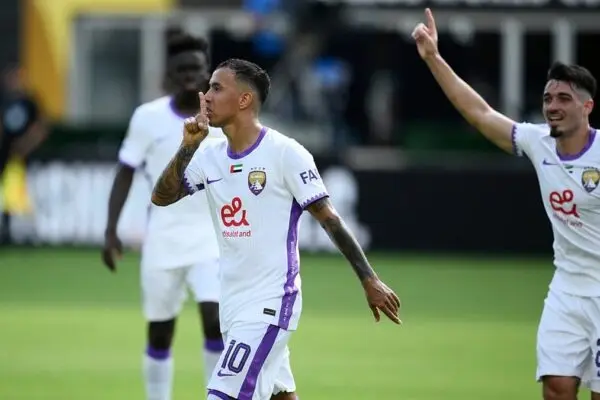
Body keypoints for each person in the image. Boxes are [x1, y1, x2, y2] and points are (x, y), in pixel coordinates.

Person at [150, 58, 401, 400]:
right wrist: (189, 145)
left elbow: (330, 219)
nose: (205, 96)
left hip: (270, 303)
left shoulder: (285, 153)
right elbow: (162, 197)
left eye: (216, 88)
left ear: (244, 100)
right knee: (280, 395)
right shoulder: (209, 156)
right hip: (233, 304)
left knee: (222, 395)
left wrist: (369, 279)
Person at [413, 8, 600, 400]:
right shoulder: (538, 141)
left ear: (587, 107)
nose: (552, 105)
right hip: (567, 286)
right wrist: (433, 58)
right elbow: (480, 113)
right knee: (556, 387)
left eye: (564, 98)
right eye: (548, 98)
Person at [101, 33, 224, 400]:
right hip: (163, 238)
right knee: (159, 332)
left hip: (212, 237)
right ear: (169, 74)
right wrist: (110, 230)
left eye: (195, 69)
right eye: (180, 69)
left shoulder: (224, 119)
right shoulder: (148, 118)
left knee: (216, 322)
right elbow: (125, 171)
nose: (188, 75)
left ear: (207, 74)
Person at [0, 64, 48, 244]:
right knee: (7, 194)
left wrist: (26, 145)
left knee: (28, 195)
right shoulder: (4, 101)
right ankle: (6, 230)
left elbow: (41, 128)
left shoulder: (30, 102)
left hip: (28, 158)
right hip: (7, 157)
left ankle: (29, 233)